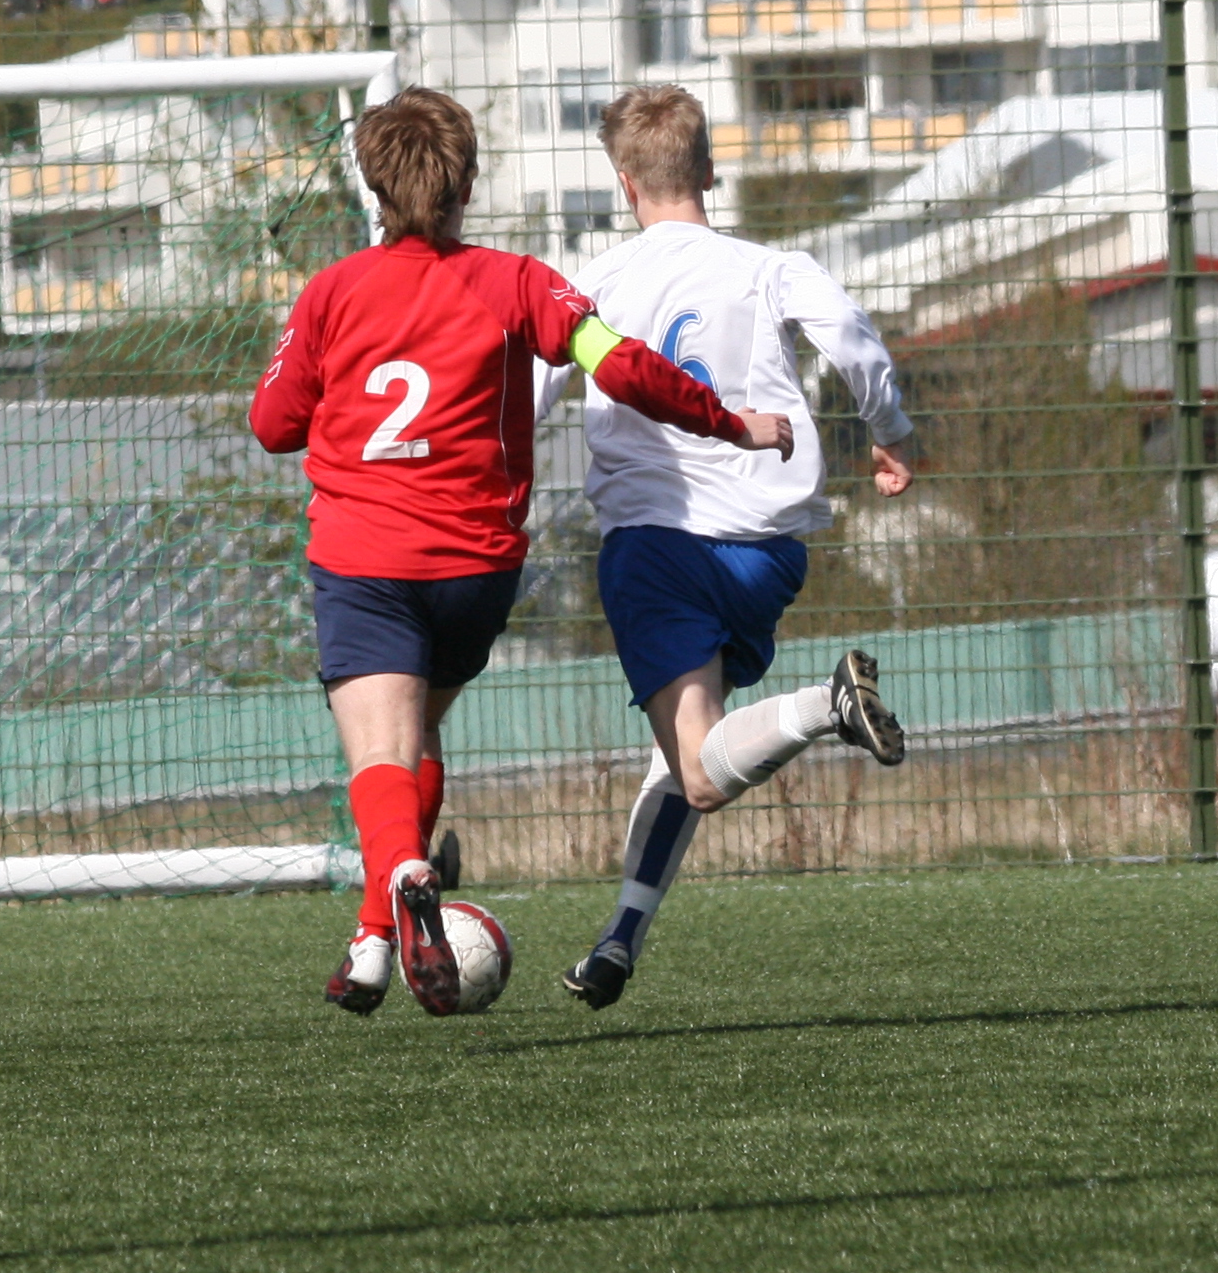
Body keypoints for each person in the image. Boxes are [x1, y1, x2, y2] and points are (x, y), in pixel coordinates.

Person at [249, 85, 788, 1017]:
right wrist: (729, 422)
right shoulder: (518, 281)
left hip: (365, 560)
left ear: (376, 189)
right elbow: (622, 364)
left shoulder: (331, 291)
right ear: (465, 186)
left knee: (382, 751)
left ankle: (397, 886)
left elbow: (272, 424)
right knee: (420, 736)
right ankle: (371, 944)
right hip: (474, 568)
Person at [551, 83, 921, 1010]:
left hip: (658, 548)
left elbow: (522, 391)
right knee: (686, 752)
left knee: (699, 767)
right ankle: (620, 939)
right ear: (709, 172)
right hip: (768, 554)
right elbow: (852, 339)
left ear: (625, 184)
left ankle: (828, 705)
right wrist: (889, 431)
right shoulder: (770, 266)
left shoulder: (595, 283)